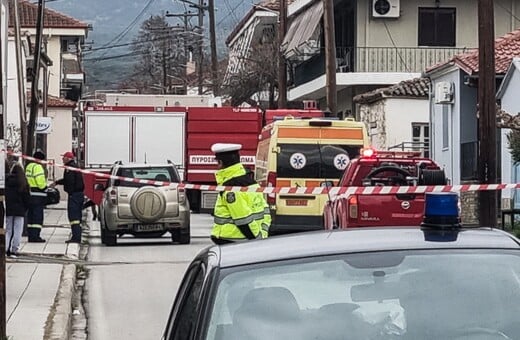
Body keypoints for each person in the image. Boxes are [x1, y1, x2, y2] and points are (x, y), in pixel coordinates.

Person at [210, 143, 270, 244]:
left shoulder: (231, 188)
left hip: (233, 242)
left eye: (217, 163)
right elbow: (266, 212)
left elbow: (243, 220)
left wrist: (257, 240)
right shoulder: (252, 183)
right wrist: (263, 234)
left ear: (220, 163)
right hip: (249, 240)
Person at [52, 151, 85, 243]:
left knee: (74, 217)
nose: (62, 159)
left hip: (74, 195)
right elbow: (67, 180)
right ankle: (77, 235)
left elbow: (69, 181)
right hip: (78, 195)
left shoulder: (69, 168)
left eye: (64, 157)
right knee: (77, 217)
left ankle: (76, 237)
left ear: (68, 158)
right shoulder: (74, 166)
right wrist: (57, 182)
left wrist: (69, 192)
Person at [5, 163, 30, 256]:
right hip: (20, 210)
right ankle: (14, 249)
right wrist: (25, 208)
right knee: (18, 230)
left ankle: (6, 248)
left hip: (9, 209)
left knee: (8, 230)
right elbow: (27, 198)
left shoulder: (7, 181)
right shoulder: (23, 183)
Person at [25, 150, 48, 242]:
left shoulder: (29, 166)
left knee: (30, 216)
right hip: (38, 194)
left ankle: (30, 235)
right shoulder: (38, 167)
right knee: (37, 216)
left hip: (29, 193)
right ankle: (36, 236)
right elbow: (40, 182)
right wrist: (45, 188)